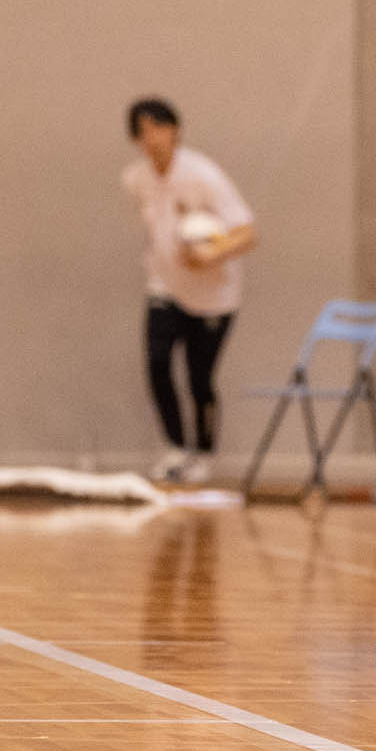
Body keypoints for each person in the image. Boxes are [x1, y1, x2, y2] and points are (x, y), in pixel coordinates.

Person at [121, 98, 258, 483]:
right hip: (165, 286)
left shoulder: (203, 175)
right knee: (157, 363)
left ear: (175, 130)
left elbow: (247, 233)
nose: (152, 138)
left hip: (215, 295)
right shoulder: (136, 179)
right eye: (142, 131)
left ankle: (204, 453)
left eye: (158, 127)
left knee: (199, 377)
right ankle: (175, 447)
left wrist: (211, 253)